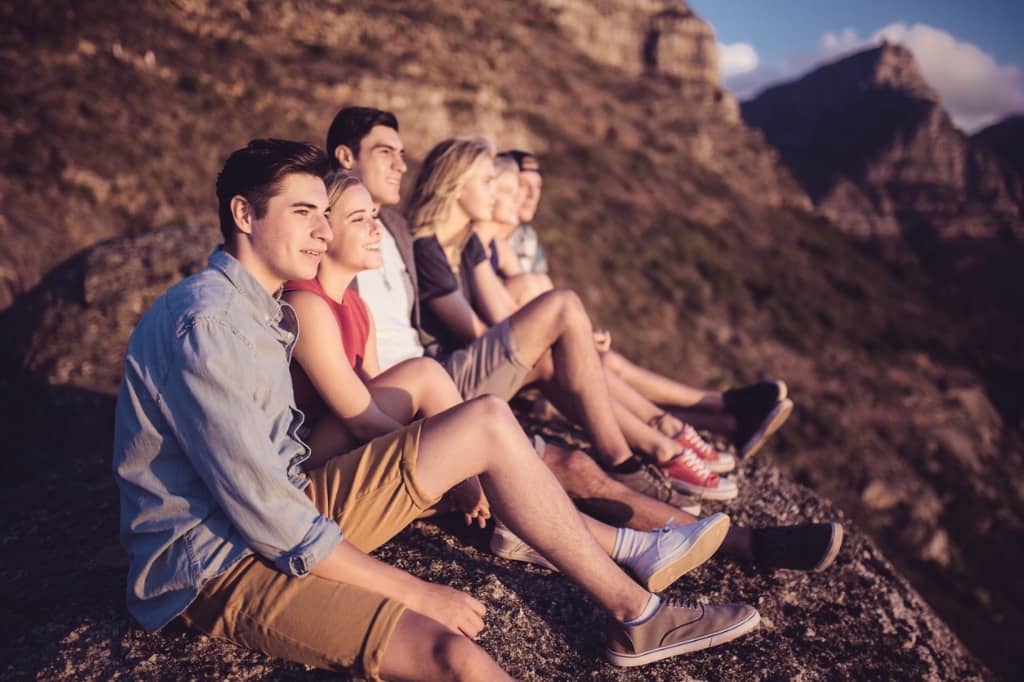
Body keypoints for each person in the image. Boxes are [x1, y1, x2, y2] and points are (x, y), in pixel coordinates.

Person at [112, 139, 762, 680]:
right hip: (215, 563)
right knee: (457, 656)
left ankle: (635, 609)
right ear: (244, 214)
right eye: (304, 212)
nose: (323, 229)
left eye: (324, 213)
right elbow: (273, 521)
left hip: (284, 507)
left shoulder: (257, 306)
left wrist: (422, 478)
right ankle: (628, 567)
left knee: (484, 420)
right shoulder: (209, 325)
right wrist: (417, 589)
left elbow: (283, 470)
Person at [326, 106, 843, 573]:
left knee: (571, 446)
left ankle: (742, 537)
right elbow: (372, 370)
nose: (401, 163)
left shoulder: (390, 233)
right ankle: (664, 488)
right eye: (385, 153)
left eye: (401, 153)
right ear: (344, 160)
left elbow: (421, 333)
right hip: (422, 403)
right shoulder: (334, 260)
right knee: (571, 442)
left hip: (436, 390)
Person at [283, 167, 732, 586]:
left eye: (376, 216)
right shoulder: (307, 305)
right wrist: (454, 456)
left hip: (350, 452)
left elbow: (378, 390)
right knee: (435, 388)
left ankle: (627, 544)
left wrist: (455, 453)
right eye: (360, 219)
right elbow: (361, 417)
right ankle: (623, 538)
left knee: (494, 453)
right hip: (315, 476)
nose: (377, 228)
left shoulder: (353, 305)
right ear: (324, 230)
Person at [496, 149, 794, 461]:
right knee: (599, 367)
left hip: (536, 354)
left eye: (537, 187)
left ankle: (728, 422)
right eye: (521, 186)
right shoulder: (492, 244)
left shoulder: (527, 239)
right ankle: (718, 406)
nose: (530, 195)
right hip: (522, 361)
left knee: (600, 361)